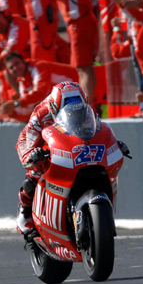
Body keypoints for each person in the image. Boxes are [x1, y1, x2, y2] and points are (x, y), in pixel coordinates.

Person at [15, 81, 131, 234]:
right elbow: (26, 141)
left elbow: (96, 133)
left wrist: (114, 144)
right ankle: (24, 213)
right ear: (55, 107)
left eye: (78, 110)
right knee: (35, 171)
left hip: (72, 143)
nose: (73, 113)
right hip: (43, 142)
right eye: (68, 110)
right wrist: (31, 155)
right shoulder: (41, 114)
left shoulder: (88, 112)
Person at [0, 0, 99, 106]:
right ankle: (84, 104)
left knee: (84, 67)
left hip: (80, 21)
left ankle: (87, 106)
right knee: (81, 68)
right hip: (76, 22)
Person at [0, 52, 79, 123]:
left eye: (17, 63)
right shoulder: (23, 80)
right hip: (74, 99)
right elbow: (27, 112)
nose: (15, 68)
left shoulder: (38, 67)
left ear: (24, 61)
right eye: (11, 68)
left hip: (85, 89)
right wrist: (9, 112)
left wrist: (15, 104)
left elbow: (40, 92)